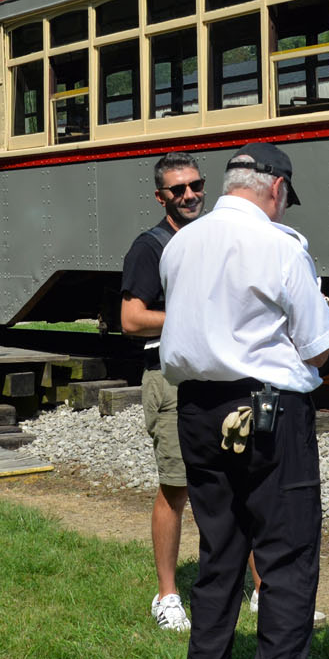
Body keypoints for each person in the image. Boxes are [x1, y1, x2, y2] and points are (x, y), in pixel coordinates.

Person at [161, 143, 329, 659]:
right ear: (275, 187)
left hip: (197, 410)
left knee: (220, 558)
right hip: (267, 412)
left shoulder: (181, 243)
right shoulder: (280, 244)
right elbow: (318, 347)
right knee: (286, 561)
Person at [119, 152, 206, 633]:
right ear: (161, 197)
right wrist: (194, 320)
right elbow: (131, 319)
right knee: (176, 486)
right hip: (170, 378)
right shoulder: (150, 247)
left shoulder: (213, 238)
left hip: (218, 375)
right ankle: (168, 595)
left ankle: (260, 591)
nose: (190, 195)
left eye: (196, 185)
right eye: (178, 190)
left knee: (240, 483)